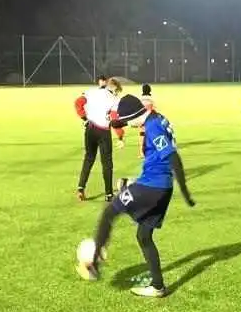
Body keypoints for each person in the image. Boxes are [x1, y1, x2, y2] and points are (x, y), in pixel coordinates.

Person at [77, 94, 196, 298]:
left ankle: (93, 262)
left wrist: (185, 192)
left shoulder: (153, 127)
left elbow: (173, 157)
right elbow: (130, 123)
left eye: (126, 121)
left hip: (152, 187)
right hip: (161, 187)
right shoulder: (155, 118)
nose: (127, 125)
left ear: (133, 116)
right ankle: (158, 287)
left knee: (109, 212)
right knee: (144, 235)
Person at [76, 78, 124, 202]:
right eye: (117, 91)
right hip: (103, 131)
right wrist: (120, 136)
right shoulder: (115, 99)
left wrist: (84, 118)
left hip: (90, 128)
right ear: (115, 88)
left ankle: (81, 188)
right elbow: (114, 119)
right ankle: (109, 194)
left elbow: (78, 102)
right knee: (107, 163)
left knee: (88, 158)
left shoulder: (91, 92)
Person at [138, 84, 155, 158]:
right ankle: (152, 152)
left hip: (142, 120)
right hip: (150, 119)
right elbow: (154, 109)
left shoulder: (140, 99)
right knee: (151, 136)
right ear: (150, 90)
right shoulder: (151, 99)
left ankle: (142, 153)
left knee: (142, 136)